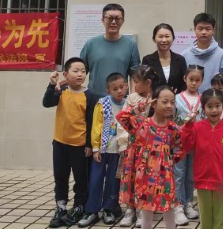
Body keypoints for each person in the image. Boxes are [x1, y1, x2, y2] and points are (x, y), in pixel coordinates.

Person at [116, 85, 184, 229]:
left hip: (165, 175)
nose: (169, 105)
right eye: (165, 102)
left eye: (172, 102)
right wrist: (141, 106)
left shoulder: (173, 128)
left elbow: (180, 148)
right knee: (146, 209)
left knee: (169, 207)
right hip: (145, 177)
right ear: (154, 103)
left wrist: (170, 161)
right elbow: (121, 116)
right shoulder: (141, 124)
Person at [42, 57, 99, 228]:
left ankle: (79, 206)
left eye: (83, 71)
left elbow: (92, 122)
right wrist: (52, 85)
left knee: (81, 178)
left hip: (80, 145)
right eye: (76, 71)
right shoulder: (61, 90)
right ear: (66, 74)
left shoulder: (90, 95)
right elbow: (47, 103)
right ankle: (61, 207)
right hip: (60, 143)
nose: (80, 74)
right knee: (60, 176)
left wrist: (89, 144)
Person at [181, 89, 223, 229]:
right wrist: (188, 126)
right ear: (203, 108)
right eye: (210, 106)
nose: (214, 110)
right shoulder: (197, 127)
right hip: (202, 180)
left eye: (217, 106)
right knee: (205, 222)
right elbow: (186, 146)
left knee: (220, 222)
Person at [79, 73, 128, 227]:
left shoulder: (128, 104)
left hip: (119, 151)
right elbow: (96, 126)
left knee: (114, 181)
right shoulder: (103, 103)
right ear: (108, 91)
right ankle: (92, 210)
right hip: (102, 149)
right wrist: (95, 148)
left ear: (126, 86)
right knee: (96, 180)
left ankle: (109, 209)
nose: (119, 91)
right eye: (115, 89)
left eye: (121, 87)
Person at [117, 65, 158, 227]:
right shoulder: (132, 98)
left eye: (137, 82)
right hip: (132, 145)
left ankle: (143, 210)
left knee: (146, 178)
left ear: (148, 82)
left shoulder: (157, 97)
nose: (134, 85)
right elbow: (123, 120)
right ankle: (130, 209)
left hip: (150, 146)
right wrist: (123, 143)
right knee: (131, 177)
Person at [80, 3, 141, 96]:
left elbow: (134, 75)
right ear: (102, 20)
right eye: (110, 18)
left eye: (117, 18)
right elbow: (80, 70)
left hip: (120, 99)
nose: (113, 22)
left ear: (123, 21)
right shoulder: (91, 44)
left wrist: (132, 98)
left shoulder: (131, 45)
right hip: (94, 99)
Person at [173, 65, 205, 225]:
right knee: (178, 174)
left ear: (202, 81)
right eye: (191, 79)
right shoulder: (176, 98)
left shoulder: (203, 99)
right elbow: (172, 119)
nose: (194, 83)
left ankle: (188, 203)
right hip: (179, 142)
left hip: (197, 142)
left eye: (197, 80)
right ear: (185, 79)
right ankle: (177, 206)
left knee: (191, 174)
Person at [183, 13, 223, 93]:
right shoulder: (185, 55)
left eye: (208, 29)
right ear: (194, 29)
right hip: (190, 99)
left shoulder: (222, 55)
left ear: (213, 30)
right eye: (200, 29)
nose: (204, 32)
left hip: (214, 99)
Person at [142, 23, 188, 94]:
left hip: (177, 100)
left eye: (167, 36)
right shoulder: (147, 60)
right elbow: (145, 84)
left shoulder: (180, 60)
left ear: (173, 39)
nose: (164, 40)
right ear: (154, 39)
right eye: (160, 37)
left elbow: (184, 84)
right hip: (154, 99)